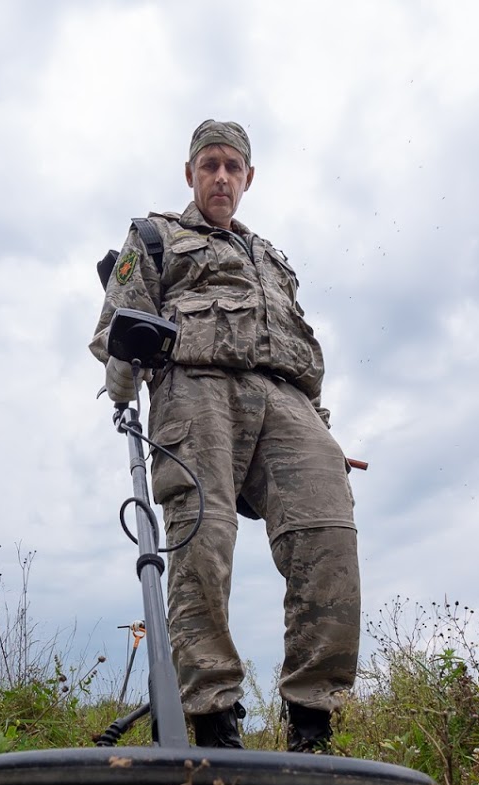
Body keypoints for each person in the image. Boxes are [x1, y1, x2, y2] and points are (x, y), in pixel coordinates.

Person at [90, 119, 358, 752]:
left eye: (231, 167)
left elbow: (299, 344)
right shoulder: (154, 235)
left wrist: (323, 435)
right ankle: (210, 719)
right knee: (202, 543)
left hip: (291, 403)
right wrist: (125, 382)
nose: (219, 177)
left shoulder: (272, 259)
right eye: (208, 165)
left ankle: (312, 724)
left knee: (329, 537)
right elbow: (117, 326)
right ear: (190, 173)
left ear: (248, 178)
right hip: (196, 390)